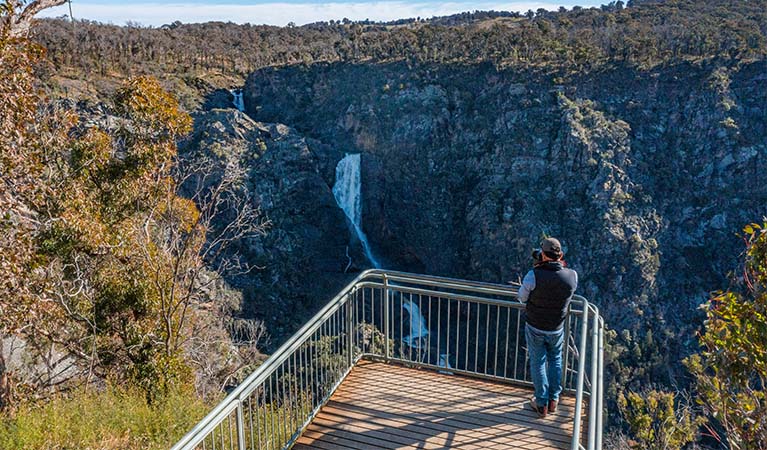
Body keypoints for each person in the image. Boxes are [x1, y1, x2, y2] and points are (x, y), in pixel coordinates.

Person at [516, 237, 578, 418]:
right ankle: (554, 399)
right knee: (556, 360)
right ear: (561, 255)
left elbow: (522, 297)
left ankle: (541, 403)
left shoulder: (533, 275)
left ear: (542, 255)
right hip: (556, 327)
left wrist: (539, 269)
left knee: (538, 361)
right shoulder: (572, 276)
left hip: (535, 325)